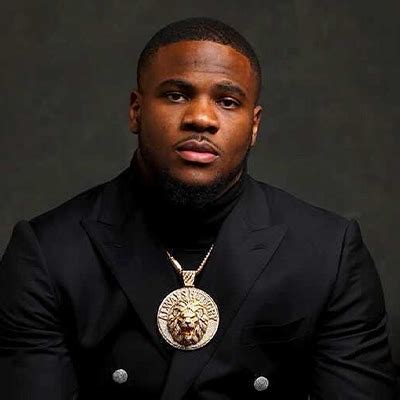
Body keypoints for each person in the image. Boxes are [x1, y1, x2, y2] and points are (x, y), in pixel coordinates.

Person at [0, 17, 396, 400]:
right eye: (176, 95)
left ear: (254, 126)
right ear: (136, 110)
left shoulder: (328, 253)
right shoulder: (48, 254)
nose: (201, 118)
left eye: (227, 101)